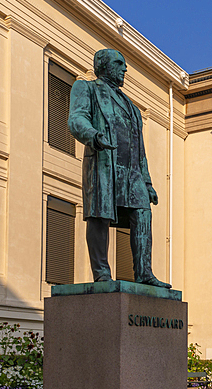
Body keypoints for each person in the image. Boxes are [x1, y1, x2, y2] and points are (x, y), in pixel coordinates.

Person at [68, 49, 169, 287]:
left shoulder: (133, 108)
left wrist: (147, 182)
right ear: (103, 66)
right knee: (99, 217)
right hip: (104, 164)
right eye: (119, 63)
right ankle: (101, 273)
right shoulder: (87, 88)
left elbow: (140, 149)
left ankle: (144, 272)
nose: (125, 69)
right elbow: (76, 118)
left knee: (143, 213)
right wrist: (93, 135)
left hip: (132, 172)